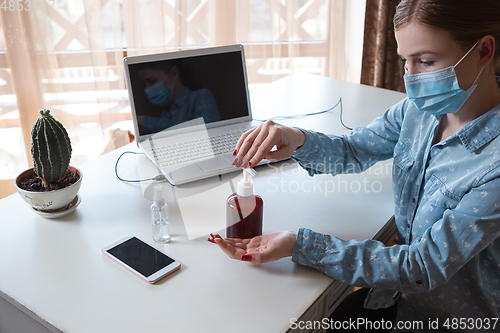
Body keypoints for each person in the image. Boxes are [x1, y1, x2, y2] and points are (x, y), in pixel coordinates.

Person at [209, 0, 500, 331]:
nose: (411, 78)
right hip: (395, 297)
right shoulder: (417, 112)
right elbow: (353, 150)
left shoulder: (494, 167)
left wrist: (302, 245)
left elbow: (422, 266)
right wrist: (297, 138)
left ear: (484, 51)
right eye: (406, 61)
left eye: (426, 61)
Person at [137, 61, 220, 135]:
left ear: (174, 74)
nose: (147, 89)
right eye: (144, 84)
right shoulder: (164, 114)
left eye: (152, 81)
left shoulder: (201, 96)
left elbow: (203, 133)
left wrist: (146, 122)